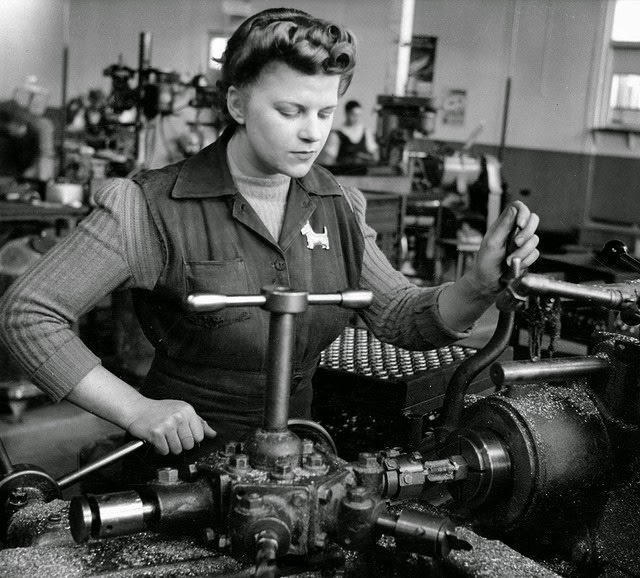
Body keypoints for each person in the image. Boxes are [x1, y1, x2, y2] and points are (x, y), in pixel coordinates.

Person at [0, 7, 539, 460]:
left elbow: (399, 315)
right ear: (236, 104)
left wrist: (475, 287)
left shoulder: (337, 205)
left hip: (301, 462)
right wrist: (136, 410)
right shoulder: (149, 207)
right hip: (183, 468)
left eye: (325, 111)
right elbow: (29, 313)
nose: (312, 131)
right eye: (291, 110)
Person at [319, 99, 379, 168]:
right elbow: (329, 159)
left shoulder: (366, 132)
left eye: (359, 115)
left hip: (363, 173)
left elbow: (375, 157)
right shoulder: (336, 134)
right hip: (344, 173)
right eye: (354, 114)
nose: (357, 118)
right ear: (347, 113)